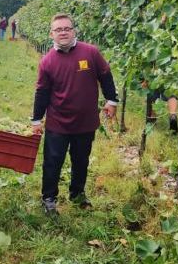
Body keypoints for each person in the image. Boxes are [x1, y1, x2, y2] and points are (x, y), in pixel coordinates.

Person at [31, 13, 118, 215]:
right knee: (53, 161)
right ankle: (49, 198)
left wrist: (111, 100)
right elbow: (42, 92)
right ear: (51, 34)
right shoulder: (47, 62)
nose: (63, 32)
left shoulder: (90, 53)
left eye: (67, 28)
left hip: (85, 122)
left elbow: (105, 75)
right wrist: (36, 119)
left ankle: (77, 193)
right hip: (58, 123)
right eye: (58, 29)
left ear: (74, 31)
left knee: (81, 160)